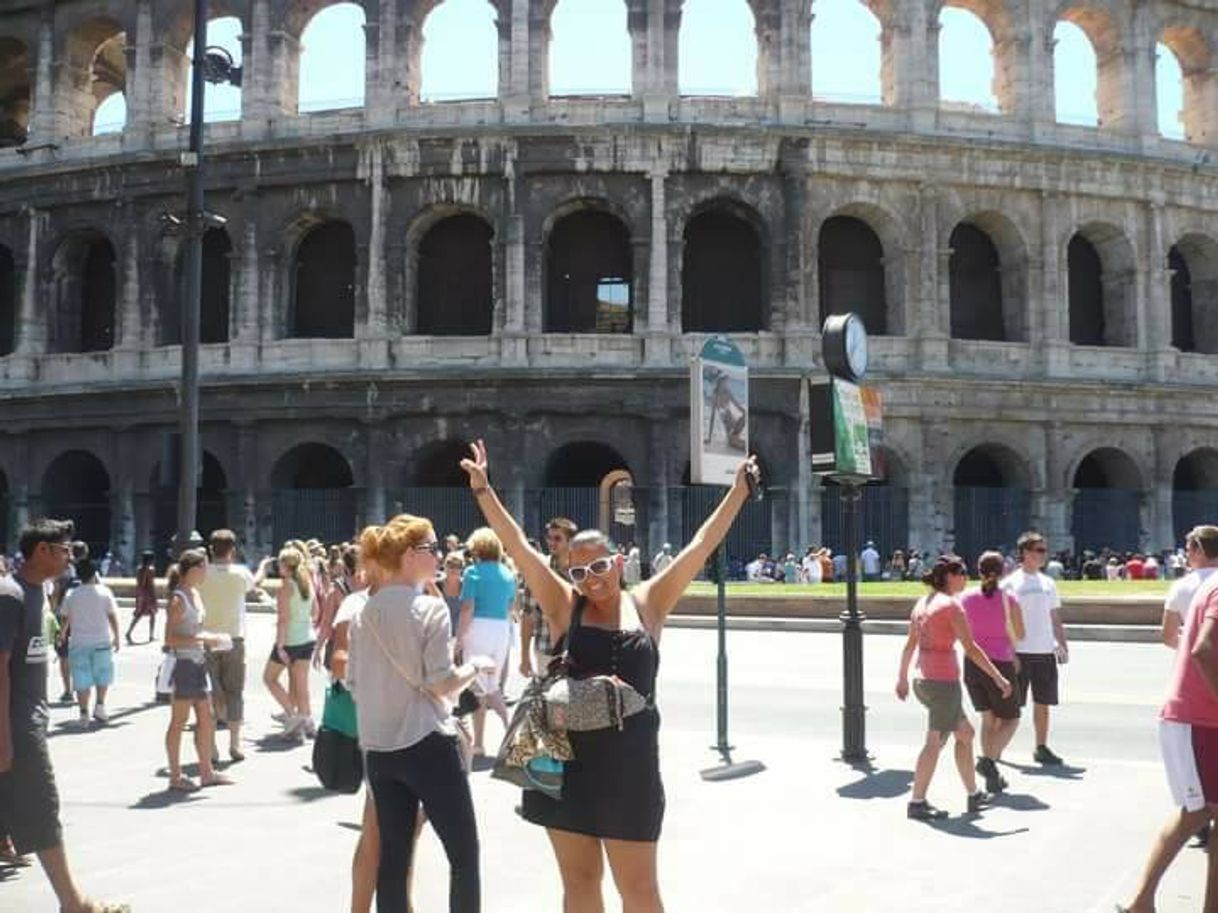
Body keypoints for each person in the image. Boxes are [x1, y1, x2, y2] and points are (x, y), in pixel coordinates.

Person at [461, 438, 759, 912]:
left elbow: (702, 544)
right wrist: (483, 490)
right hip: (566, 764)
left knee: (640, 891)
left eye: (600, 566)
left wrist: (738, 492)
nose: (591, 579)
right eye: (578, 572)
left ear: (619, 562)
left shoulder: (648, 603)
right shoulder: (563, 606)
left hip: (631, 770)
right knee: (579, 886)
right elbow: (516, 544)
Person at [347, 515, 494, 913]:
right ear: (411, 555)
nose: (442, 556)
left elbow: (353, 682)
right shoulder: (430, 609)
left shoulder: (364, 612)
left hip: (379, 750)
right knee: (463, 854)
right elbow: (441, 682)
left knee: (394, 860)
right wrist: (476, 667)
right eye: (433, 549)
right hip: (427, 743)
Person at [0, 519, 131, 913]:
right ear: (42, 551)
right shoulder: (12, 595)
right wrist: (4, 736)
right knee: (43, 806)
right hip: (17, 724)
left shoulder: (41, 591)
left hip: (28, 718)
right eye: (66, 550)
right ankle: (73, 903)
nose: (71, 557)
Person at [1117, 525, 1218, 913]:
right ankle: (1140, 902)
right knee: (1195, 813)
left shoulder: (1196, 584)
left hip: (1198, 716)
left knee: (1202, 814)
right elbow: (1204, 649)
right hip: (1198, 718)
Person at [896, 554, 1012, 820]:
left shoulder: (922, 604)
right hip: (942, 682)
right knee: (934, 741)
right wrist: (997, 677)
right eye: (962, 572)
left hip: (922, 679)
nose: (966, 577)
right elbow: (971, 648)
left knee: (966, 734)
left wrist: (902, 678)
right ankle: (917, 801)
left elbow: (910, 645)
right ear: (949, 576)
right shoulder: (951, 606)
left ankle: (973, 795)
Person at [164, 549, 233, 793]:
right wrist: (206, 638)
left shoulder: (194, 593)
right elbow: (170, 638)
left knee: (207, 717)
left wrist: (208, 640)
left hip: (197, 663)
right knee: (179, 721)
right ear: (193, 569)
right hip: (184, 665)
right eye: (204, 567)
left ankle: (206, 772)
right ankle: (175, 776)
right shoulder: (178, 599)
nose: (207, 572)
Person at [198, 529, 266, 764]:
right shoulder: (241, 573)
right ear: (233, 551)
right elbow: (254, 586)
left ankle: (212, 747)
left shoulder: (202, 573)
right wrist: (264, 570)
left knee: (209, 694)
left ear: (210, 550)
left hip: (206, 639)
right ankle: (235, 743)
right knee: (235, 692)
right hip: (234, 638)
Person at [1002, 530, 1069, 766]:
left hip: (1044, 651)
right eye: (1039, 550)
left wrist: (1062, 643)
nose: (1044, 555)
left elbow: (1054, 615)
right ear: (1025, 553)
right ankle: (994, 750)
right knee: (1011, 707)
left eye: (1044, 550)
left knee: (1043, 702)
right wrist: (1010, 652)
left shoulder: (1048, 582)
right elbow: (1005, 620)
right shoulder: (1010, 583)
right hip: (1020, 652)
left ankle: (1041, 747)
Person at [961, 551, 1025, 794]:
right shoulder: (1009, 600)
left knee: (988, 720)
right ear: (1003, 573)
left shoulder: (965, 599)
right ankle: (988, 762)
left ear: (978, 571)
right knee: (1010, 719)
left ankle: (992, 776)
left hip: (973, 663)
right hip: (1000, 663)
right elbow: (1019, 633)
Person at [455, 527, 516, 756]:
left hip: (478, 628)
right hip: (501, 628)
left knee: (477, 683)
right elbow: (511, 607)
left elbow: (467, 609)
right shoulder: (508, 573)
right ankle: (501, 733)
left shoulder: (473, 572)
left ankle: (482, 741)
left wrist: (459, 639)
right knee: (491, 686)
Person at [60, 557, 120, 729]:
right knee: (103, 675)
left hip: (78, 642)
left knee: (81, 678)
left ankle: (84, 713)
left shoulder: (72, 595)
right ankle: (100, 706)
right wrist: (117, 637)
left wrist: (63, 634)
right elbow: (112, 616)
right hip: (101, 640)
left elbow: (66, 618)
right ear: (95, 574)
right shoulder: (104, 592)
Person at [264, 546, 317, 740]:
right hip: (307, 637)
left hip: (290, 640)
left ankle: (292, 716)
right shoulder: (307, 583)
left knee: (269, 678)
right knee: (302, 686)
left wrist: (280, 646)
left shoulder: (286, 586)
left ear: (285, 565)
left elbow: (283, 619)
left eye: (280, 562)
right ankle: (307, 722)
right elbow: (315, 612)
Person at [521, 518, 575, 679]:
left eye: (557, 538)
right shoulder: (539, 573)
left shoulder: (582, 573)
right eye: (549, 538)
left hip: (579, 651)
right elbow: (528, 615)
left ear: (570, 541)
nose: (551, 542)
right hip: (546, 650)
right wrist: (524, 657)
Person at [126, 550, 158, 644]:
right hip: (147, 594)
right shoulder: (149, 569)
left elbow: (141, 583)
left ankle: (150, 635)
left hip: (142, 594)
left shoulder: (139, 568)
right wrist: (151, 595)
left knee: (146, 614)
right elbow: (146, 583)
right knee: (145, 614)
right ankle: (130, 633)